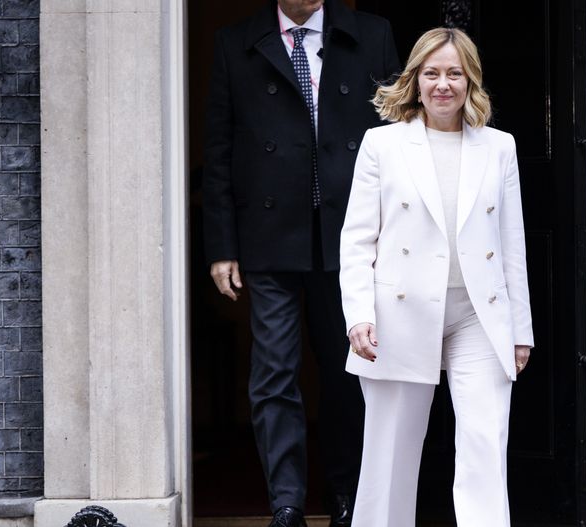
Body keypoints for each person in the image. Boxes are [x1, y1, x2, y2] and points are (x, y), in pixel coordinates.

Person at [202, 0, 399, 525]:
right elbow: (219, 150)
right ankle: (286, 504)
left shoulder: (372, 35)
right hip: (268, 238)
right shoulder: (234, 43)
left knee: (351, 371)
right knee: (273, 373)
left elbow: (402, 138)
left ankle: (349, 499)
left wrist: (398, 234)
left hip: (353, 237)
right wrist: (221, 246)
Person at [339, 27, 534, 527]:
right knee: (389, 453)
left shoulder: (500, 147)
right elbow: (357, 239)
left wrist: (520, 329)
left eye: (454, 73)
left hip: (478, 315)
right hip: (398, 314)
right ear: (415, 79)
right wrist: (358, 315)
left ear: (470, 81)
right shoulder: (382, 144)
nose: (442, 84)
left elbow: (511, 243)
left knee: (484, 444)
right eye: (431, 73)